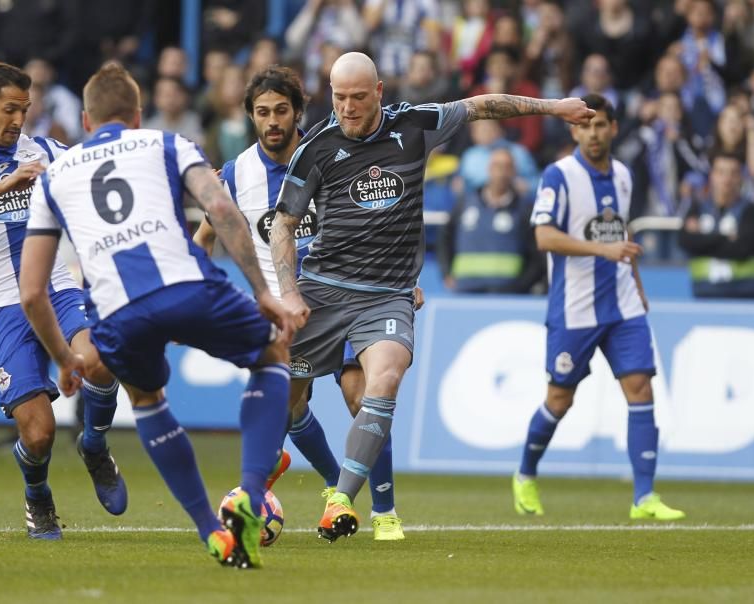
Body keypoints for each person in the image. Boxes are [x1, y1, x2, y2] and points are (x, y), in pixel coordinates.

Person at [269, 51, 595, 541]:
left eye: (359, 97)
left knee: (383, 381)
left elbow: (484, 106)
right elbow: (284, 225)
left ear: (379, 91)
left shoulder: (417, 126)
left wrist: (554, 108)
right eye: (339, 98)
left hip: (387, 295)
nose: (348, 108)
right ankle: (252, 492)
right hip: (324, 291)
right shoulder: (315, 147)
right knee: (284, 398)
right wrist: (290, 293)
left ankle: (343, 500)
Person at [18, 62, 295, 569]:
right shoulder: (168, 144)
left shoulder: (54, 178)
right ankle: (251, 496)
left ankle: (211, 530)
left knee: (147, 399)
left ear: (84, 120)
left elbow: (32, 291)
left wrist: (64, 357)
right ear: (138, 113)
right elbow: (222, 210)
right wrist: (263, 291)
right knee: (272, 356)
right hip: (186, 286)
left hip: (117, 314)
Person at [192, 65, 419, 541]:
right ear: (251, 118)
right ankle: (334, 488)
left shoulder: (335, 151)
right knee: (290, 408)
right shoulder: (236, 175)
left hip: (354, 297)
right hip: (291, 315)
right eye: (262, 113)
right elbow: (206, 237)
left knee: (365, 395)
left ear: (299, 112)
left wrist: (399, 280)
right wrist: (207, 291)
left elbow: (389, 210)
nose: (272, 121)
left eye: (281, 111)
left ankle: (383, 511)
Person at [0, 62, 127, 540]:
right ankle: (37, 495)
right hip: (2, 304)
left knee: (100, 359)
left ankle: (95, 444)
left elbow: (94, 168)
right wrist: (3, 185)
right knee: (37, 433)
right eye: (10, 109)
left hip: (58, 288)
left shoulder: (43, 150)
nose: (19, 120)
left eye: (25, 109)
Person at [512, 94, 685, 521]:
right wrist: (600, 250)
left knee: (641, 389)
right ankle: (525, 474)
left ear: (613, 128)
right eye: (586, 126)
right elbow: (545, 238)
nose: (593, 133)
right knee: (559, 399)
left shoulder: (624, 176)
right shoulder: (558, 176)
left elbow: (620, 233)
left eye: (601, 125)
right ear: (574, 130)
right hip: (575, 307)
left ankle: (644, 496)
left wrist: (638, 284)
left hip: (623, 303)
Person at [439, 147, 544, 294]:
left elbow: (537, 253)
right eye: (497, 166)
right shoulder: (464, 204)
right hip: (465, 292)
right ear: (488, 169)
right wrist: (446, 273)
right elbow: (445, 239)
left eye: (507, 167)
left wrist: (522, 286)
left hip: (507, 295)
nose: (501, 172)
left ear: (514, 172)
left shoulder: (524, 209)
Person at [678, 152, 754, 298]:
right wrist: (725, 238)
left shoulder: (751, 210)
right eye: (721, 172)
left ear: (741, 178)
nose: (727, 179)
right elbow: (686, 242)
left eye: (733, 173)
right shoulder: (697, 207)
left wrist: (704, 238)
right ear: (711, 175)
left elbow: (743, 248)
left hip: (748, 291)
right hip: (704, 290)